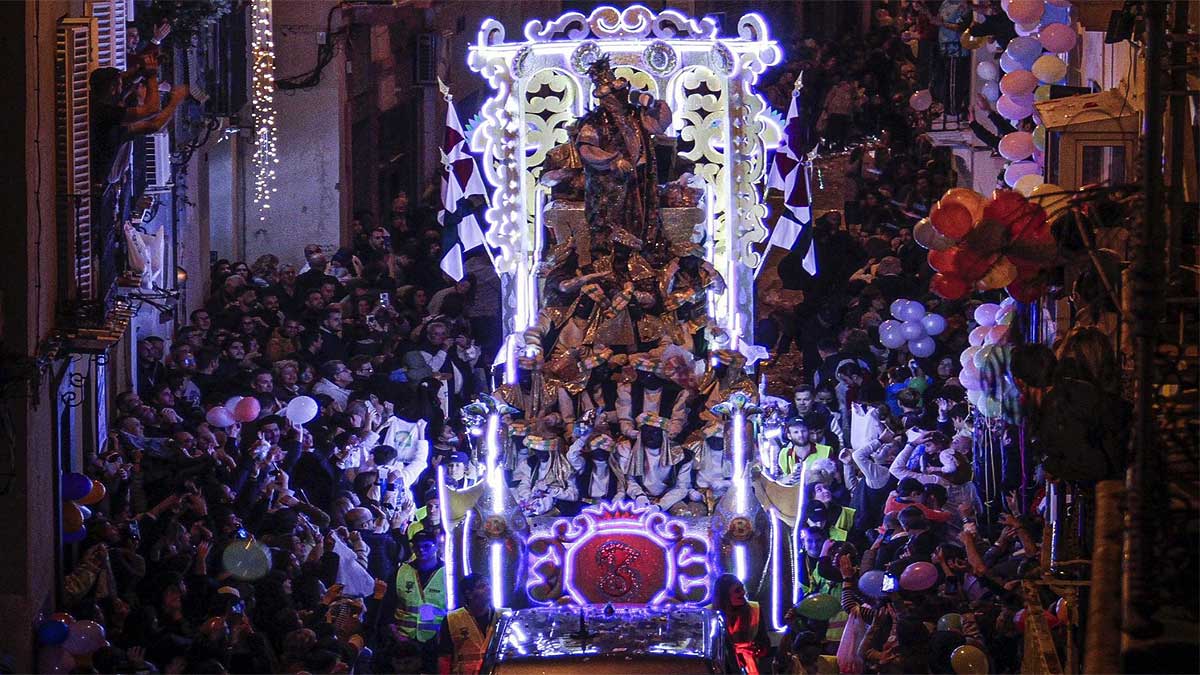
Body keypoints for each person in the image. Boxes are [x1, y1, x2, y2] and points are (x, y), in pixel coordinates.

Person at [395, 530, 449, 671]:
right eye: (417, 546)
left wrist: (444, 636)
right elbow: (389, 606)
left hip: (436, 640)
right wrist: (395, 635)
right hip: (405, 640)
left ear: (436, 546)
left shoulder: (448, 574)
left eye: (426, 546)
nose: (421, 550)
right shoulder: (402, 571)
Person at [437, 573, 496, 675]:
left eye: (488, 585)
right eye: (482, 586)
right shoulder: (452, 619)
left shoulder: (503, 616)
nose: (488, 589)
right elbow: (445, 657)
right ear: (469, 594)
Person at [709, 573, 769, 675]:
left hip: (749, 667)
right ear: (724, 596)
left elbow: (765, 642)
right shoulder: (709, 614)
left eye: (742, 588)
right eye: (737, 590)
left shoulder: (755, 609)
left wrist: (756, 649)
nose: (743, 592)